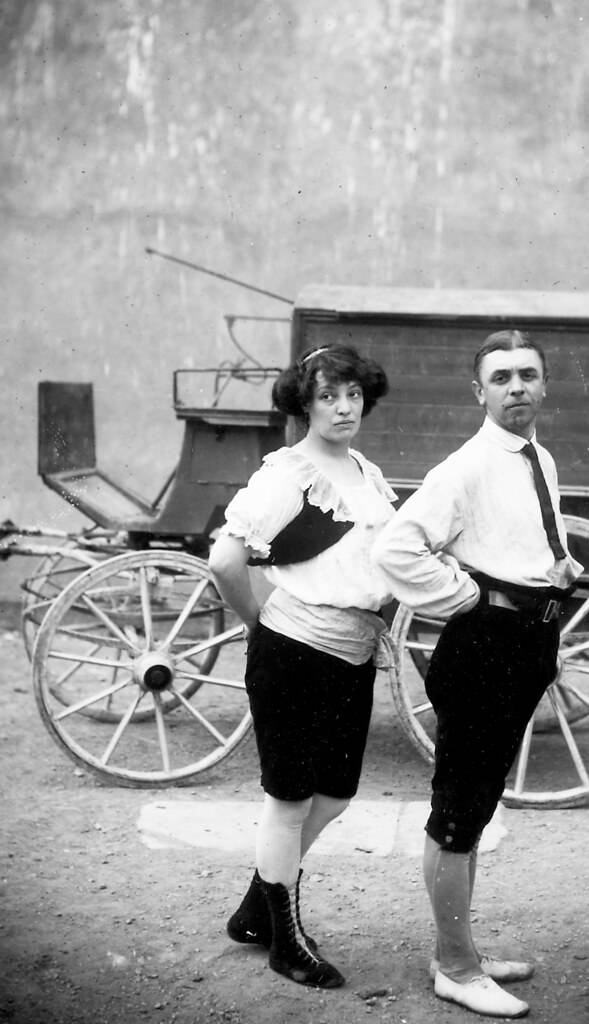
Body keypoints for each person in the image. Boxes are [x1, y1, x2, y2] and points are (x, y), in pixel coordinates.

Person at [373, 330, 583, 1019]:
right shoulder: (462, 468)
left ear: (544, 385)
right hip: (484, 648)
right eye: (501, 378)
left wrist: (556, 571)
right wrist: (468, 599)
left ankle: (457, 948)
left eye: (527, 375)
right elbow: (398, 549)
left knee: (480, 801)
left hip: (528, 643)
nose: (516, 387)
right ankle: (456, 969)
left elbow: (520, 536)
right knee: (458, 814)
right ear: (480, 392)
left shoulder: (538, 458)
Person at [208, 343, 395, 990]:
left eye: (351, 395)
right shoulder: (288, 476)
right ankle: (284, 940)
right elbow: (226, 561)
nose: (342, 408)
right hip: (292, 653)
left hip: (351, 653)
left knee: (336, 796)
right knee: (288, 803)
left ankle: (256, 908)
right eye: (326, 396)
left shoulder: (364, 472)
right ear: (304, 403)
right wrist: (257, 621)